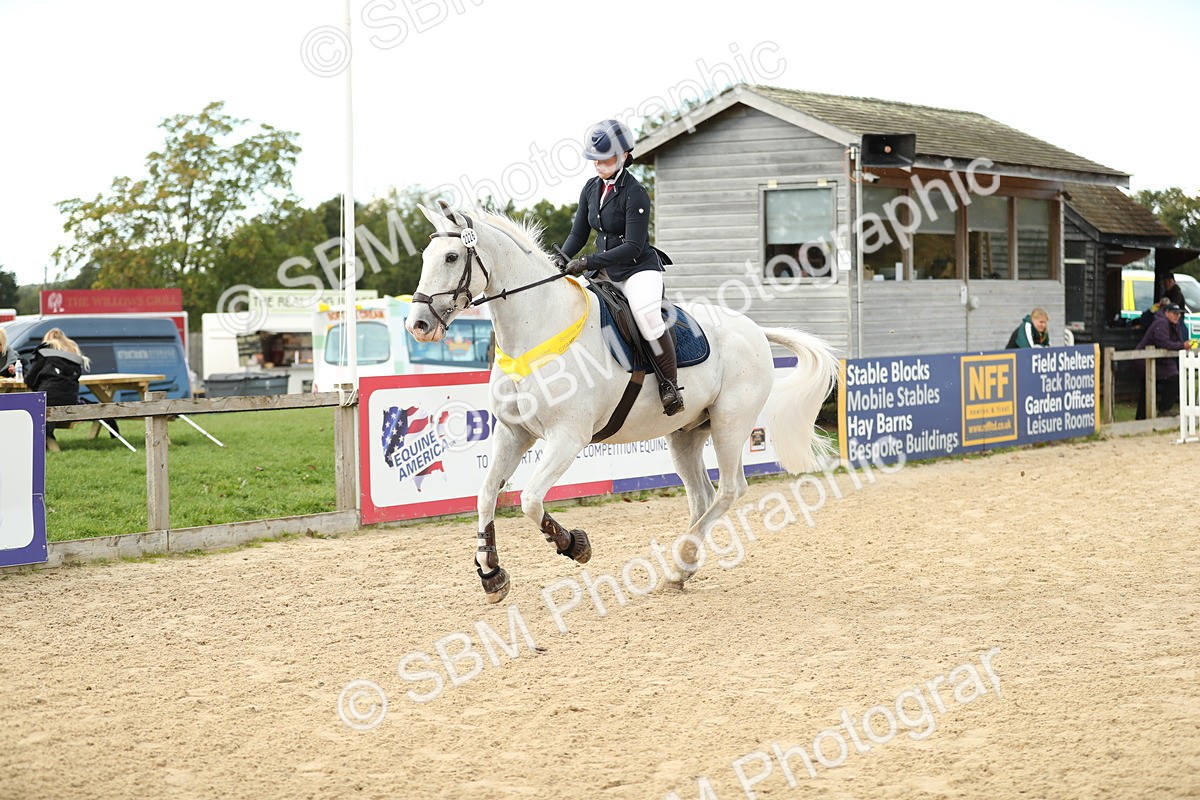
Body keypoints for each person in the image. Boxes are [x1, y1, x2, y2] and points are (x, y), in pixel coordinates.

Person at [552, 118, 683, 416]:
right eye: (595, 159)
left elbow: (634, 246)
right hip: (603, 270)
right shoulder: (590, 188)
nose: (599, 165)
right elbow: (578, 234)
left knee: (647, 316)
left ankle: (670, 385)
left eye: (606, 158)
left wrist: (589, 261)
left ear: (624, 155)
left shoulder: (635, 192)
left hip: (638, 270)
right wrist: (560, 258)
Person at [25, 328, 89, 451]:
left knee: (28, 405)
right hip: (70, 399)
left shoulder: (44, 353)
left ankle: (43, 443)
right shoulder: (74, 357)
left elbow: (29, 378)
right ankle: (47, 440)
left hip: (48, 399)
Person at [1134, 303, 1194, 419]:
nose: (1177, 316)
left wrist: (1187, 344)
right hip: (1144, 360)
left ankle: (1141, 417)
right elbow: (1163, 343)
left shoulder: (1173, 324)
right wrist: (1183, 345)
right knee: (1172, 377)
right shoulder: (1161, 323)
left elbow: (1177, 341)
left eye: (1179, 314)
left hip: (1156, 360)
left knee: (1148, 387)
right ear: (1166, 313)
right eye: (1174, 313)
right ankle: (1164, 410)